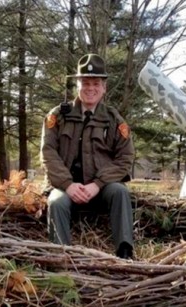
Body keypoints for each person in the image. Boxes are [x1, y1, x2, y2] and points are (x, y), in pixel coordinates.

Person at [40, 54, 135, 259]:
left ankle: (125, 252)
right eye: (85, 83)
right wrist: (67, 184)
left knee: (120, 192)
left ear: (104, 88)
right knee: (55, 202)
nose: (90, 88)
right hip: (65, 188)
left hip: (101, 189)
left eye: (95, 83)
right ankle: (62, 257)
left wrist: (98, 184)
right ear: (77, 85)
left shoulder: (113, 119)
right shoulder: (58, 116)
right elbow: (48, 153)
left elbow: (125, 158)